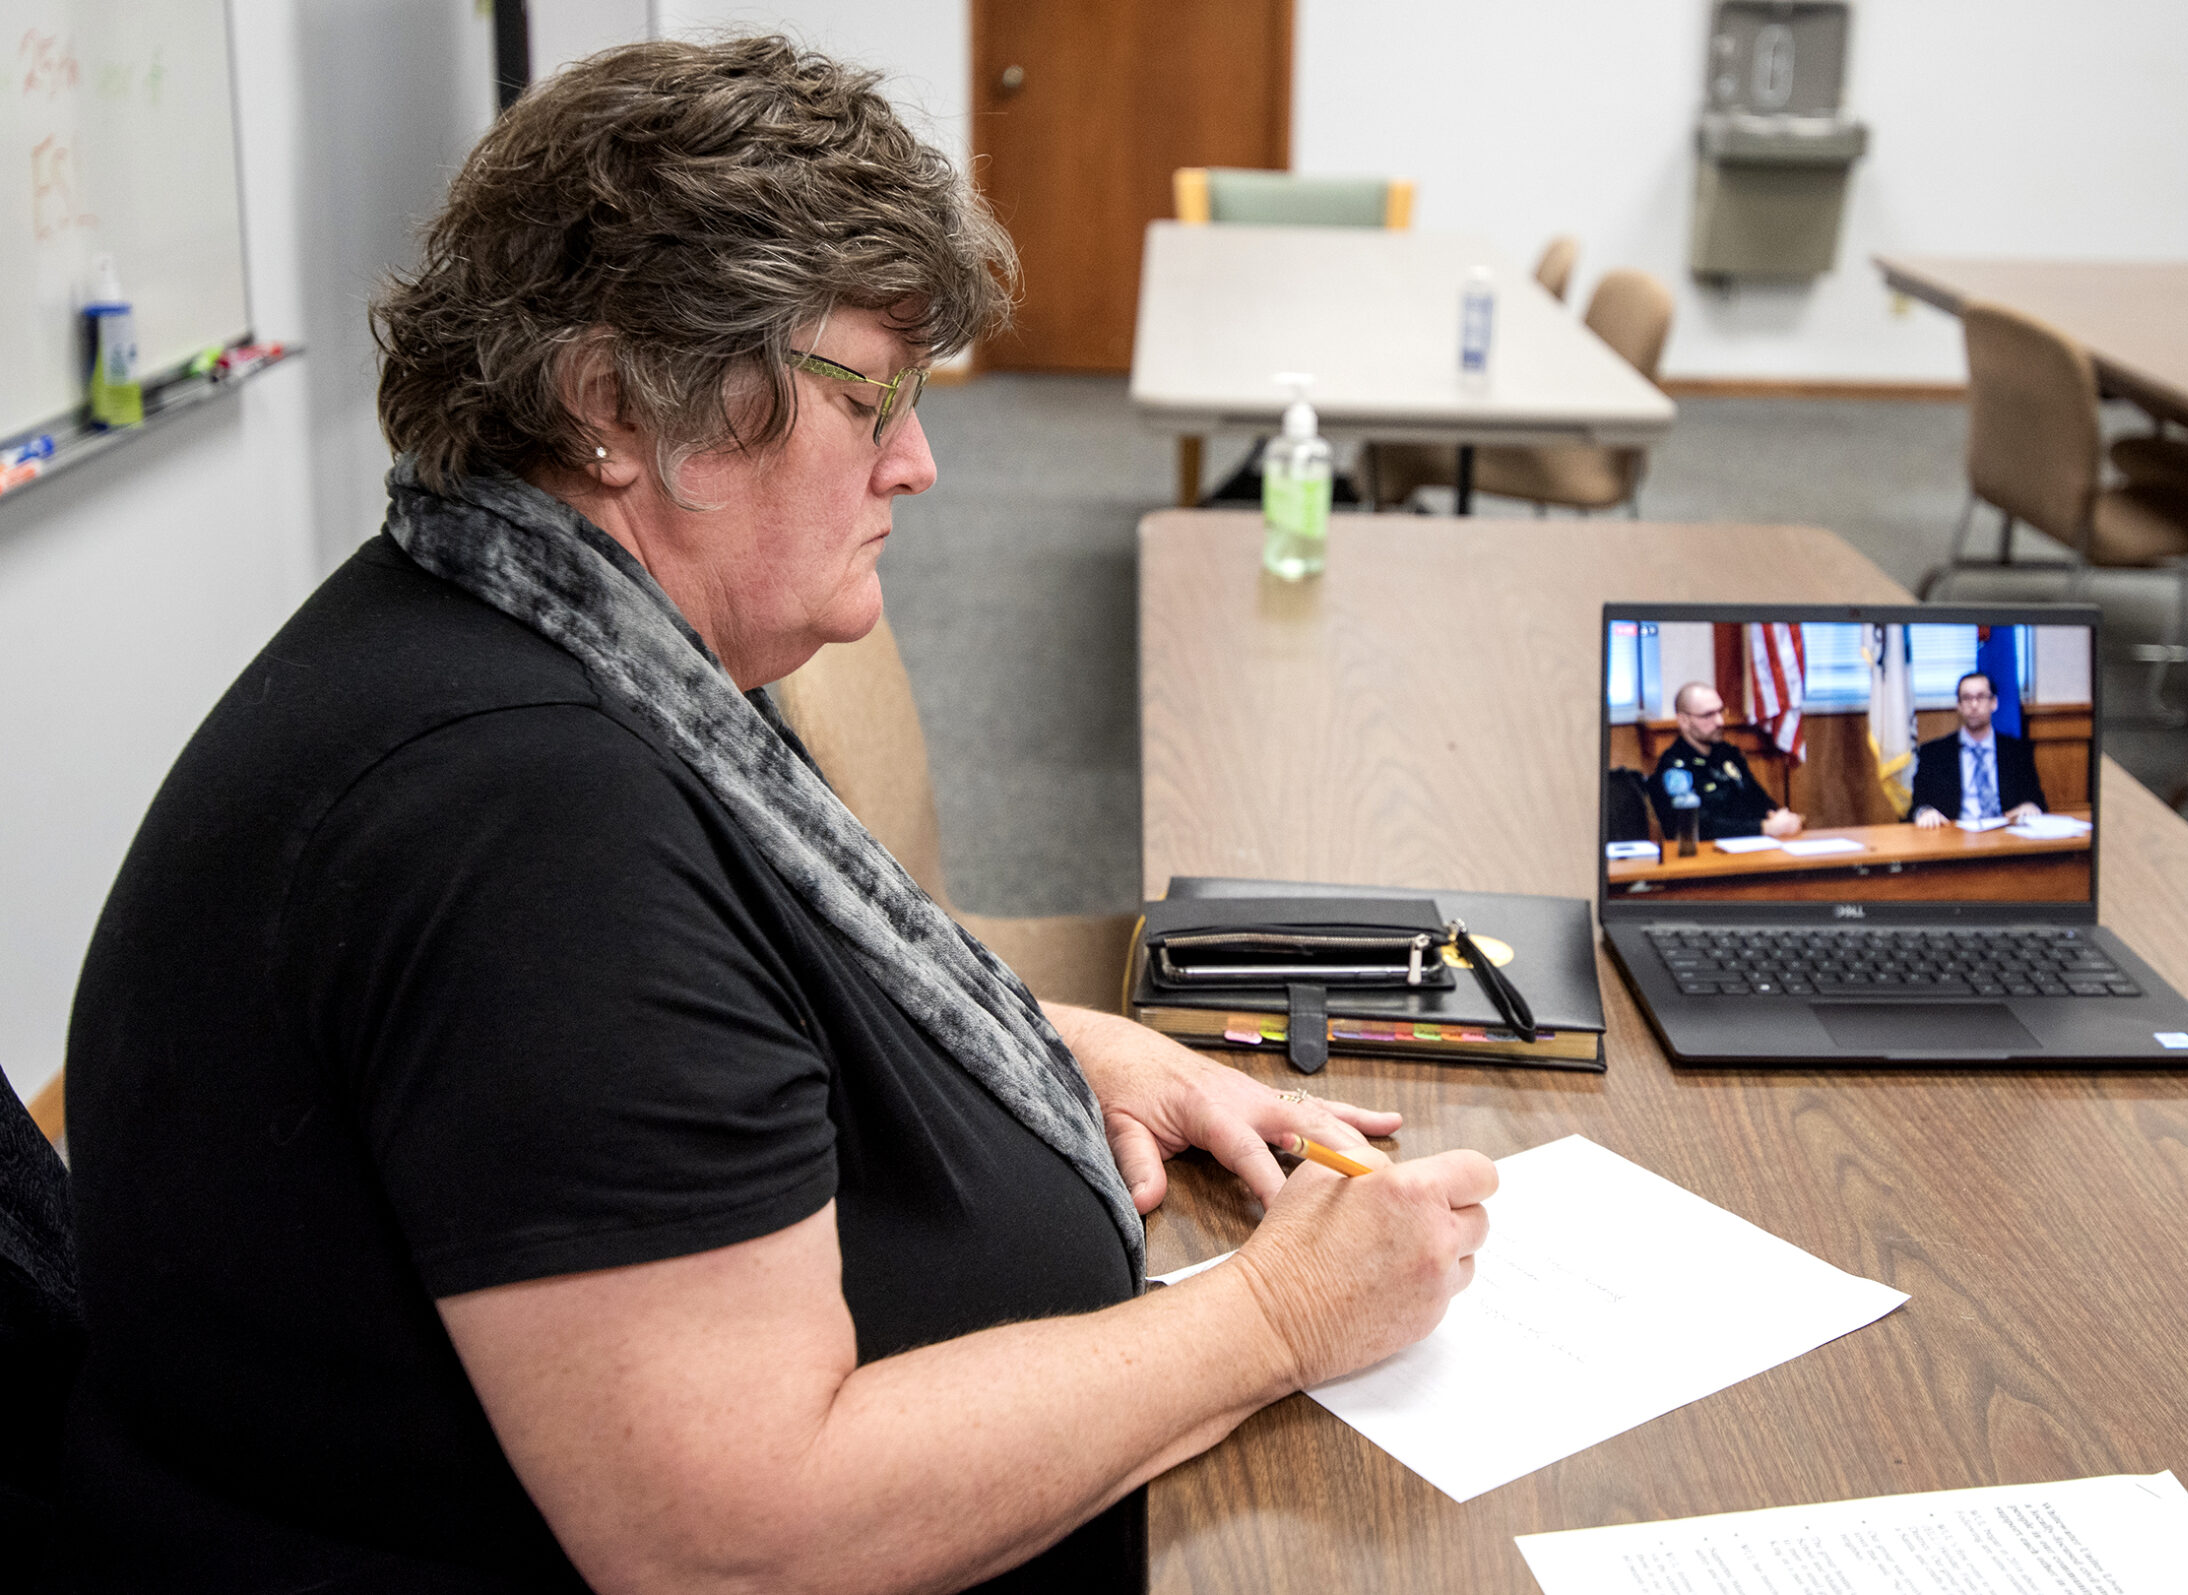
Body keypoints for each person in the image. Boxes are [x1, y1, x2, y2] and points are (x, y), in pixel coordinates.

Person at [58, 39, 1495, 1594]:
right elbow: (739, 1538)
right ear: (619, 404)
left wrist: (1049, 1043)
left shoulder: (548, 621)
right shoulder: (521, 825)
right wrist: (1276, 1318)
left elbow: (728, 992)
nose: (923, 462)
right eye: (872, 397)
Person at [1647, 681, 1804, 843]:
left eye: (1720, 711)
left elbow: (1760, 801)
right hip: (1705, 859)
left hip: (1750, 849)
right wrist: (1764, 828)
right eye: (1708, 715)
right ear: (1684, 721)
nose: (1720, 721)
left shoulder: (1728, 754)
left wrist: (1780, 818)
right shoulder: (1675, 767)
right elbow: (1694, 826)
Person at [1907, 672, 2047, 829]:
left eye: (1980, 697)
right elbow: (1917, 806)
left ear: (1993, 703)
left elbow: (2038, 801)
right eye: (1966, 698)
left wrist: (2031, 806)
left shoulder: (2017, 751)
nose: (1973, 705)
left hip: (2006, 837)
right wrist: (1925, 812)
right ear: (1958, 706)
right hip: (1954, 838)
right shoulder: (1933, 753)